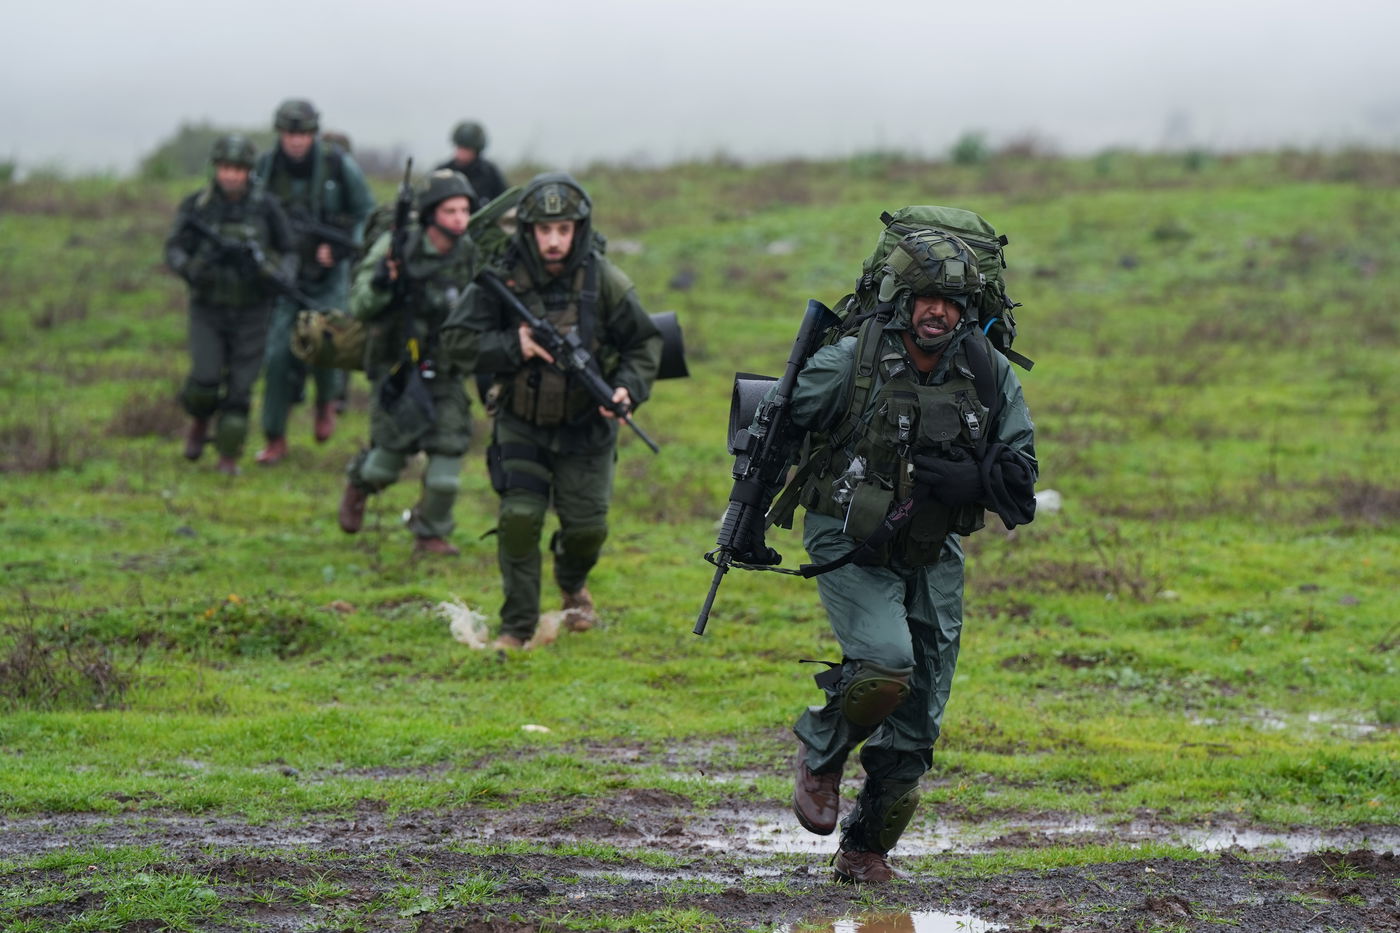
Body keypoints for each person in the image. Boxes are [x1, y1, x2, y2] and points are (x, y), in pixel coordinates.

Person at [736, 225, 1038, 882]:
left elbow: (1022, 481)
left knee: (920, 717)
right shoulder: (851, 360)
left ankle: (866, 850)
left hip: (933, 549)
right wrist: (749, 519)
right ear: (902, 296)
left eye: (954, 302)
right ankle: (820, 751)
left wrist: (973, 480)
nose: (939, 311)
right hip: (849, 538)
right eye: (928, 296)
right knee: (885, 663)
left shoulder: (988, 370)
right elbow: (777, 421)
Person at [443, 172, 662, 648]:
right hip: (521, 423)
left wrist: (627, 389)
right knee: (520, 519)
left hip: (587, 429)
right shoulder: (498, 280)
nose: (554, 241)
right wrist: (512, 343)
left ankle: (571, 581)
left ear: (578, 230)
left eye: (564, 230)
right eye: (545, 230)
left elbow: (644, 342)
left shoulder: (604, 279)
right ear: (528, 231)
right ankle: (516, 627)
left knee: (587, 530)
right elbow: (455, 343)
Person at [337, 170, 481, 555]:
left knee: (447, 468)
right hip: (398, 369)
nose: (459, 219)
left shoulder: (469, 253)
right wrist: (385, 283)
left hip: (446, 370)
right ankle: (358, 483)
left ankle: (429, 533)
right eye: (450, 210)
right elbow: (360, 304)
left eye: (465, 210)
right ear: (431, 213)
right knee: (384, 466)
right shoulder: (396, 245)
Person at [163, 134, 297, 475]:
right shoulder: (198, 206)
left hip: (254, 309)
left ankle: (228, 457)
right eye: (226, 168)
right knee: (204, 378)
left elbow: (290, 249)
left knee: (241, 388)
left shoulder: (266, 207)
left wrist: (278, 274)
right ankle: (199, 421)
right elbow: (175, 247)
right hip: (208, 307)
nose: (232, 176)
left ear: (248, 171)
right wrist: (193, 267)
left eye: (238, 169)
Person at [253, 98, 374, 464]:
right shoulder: (266, 168)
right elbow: (254, 218)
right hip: (287, 275)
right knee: (276, 354)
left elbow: (366, 213)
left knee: (327, 343)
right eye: (290, 133)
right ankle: (275, 437)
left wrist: (339, 251)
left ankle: (326, 402)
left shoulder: (338, 166)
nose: (296, 141)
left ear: (314, 134)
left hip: (329, 274)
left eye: (303, 133)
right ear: (280, 134)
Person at [437, 120, 508, 207]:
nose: (461, 153)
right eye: (460, 147)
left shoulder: (489, 172)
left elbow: (505, 201)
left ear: (476, 150)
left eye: (467, 149)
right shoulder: (443, 172)